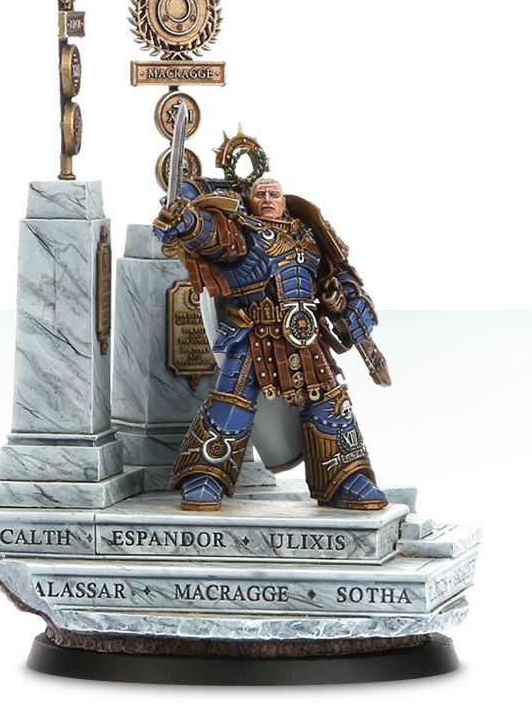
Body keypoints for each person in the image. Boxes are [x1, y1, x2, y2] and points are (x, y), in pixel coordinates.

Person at [153, 172, 390, 512]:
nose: (267, 200)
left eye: (273, 194)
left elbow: (337, 273)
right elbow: (211, 237)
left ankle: (345, 477)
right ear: (249, 200)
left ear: (284, 199)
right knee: (232, 401)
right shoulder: (241, 232)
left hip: (304, 333)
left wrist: (338, 298)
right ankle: (206, 475)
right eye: (260, 194)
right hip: (254, 333)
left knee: (330, 400)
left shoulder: (308, 233)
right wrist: (187, 221)